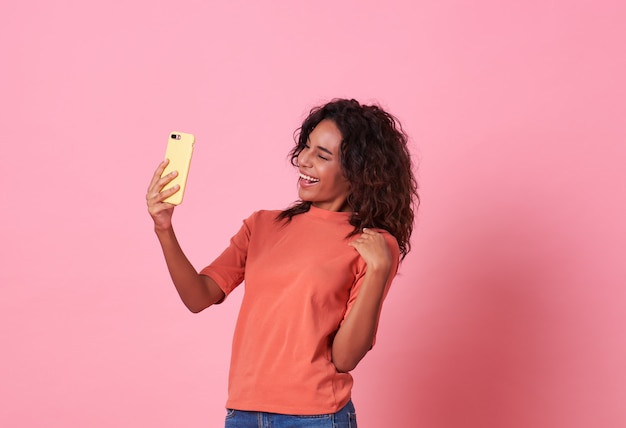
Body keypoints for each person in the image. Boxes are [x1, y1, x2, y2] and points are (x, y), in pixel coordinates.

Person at [146, 98, 418, 427]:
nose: (303, 160)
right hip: (243, 413)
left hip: (316, 417)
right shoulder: (261, 225)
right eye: (306, 147)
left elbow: (345, 358)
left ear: (357, 172)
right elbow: (198, 297)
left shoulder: (373, 245)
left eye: (322, 155)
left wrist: (377, 270)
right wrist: (164, 228)